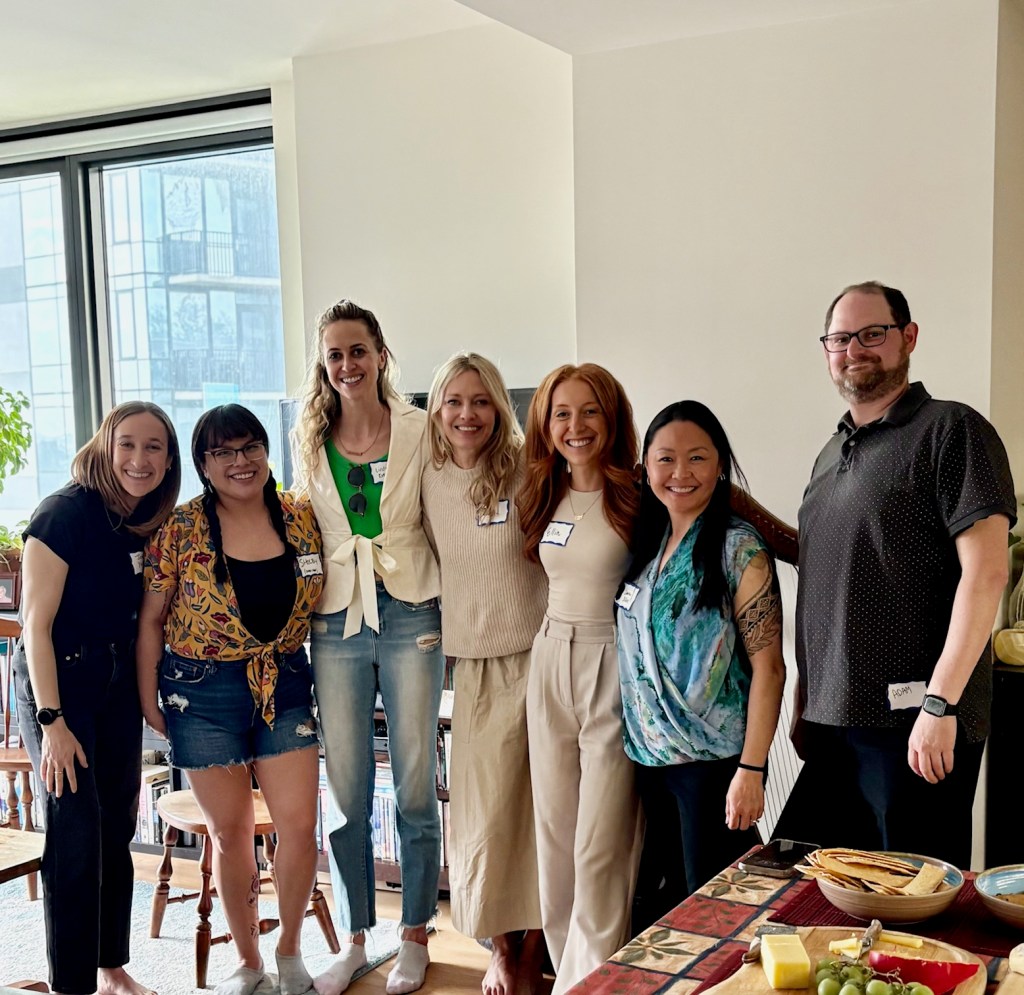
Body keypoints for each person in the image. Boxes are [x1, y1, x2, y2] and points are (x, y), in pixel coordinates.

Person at [779, 281, 1015, 868]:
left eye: (872, 333)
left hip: (914, 725)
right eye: (840, 339)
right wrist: (805, 701)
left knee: (915, 897)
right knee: (817, 893)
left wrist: (939, 705)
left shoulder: (952, 430)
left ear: (908, 337)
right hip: (832, 726)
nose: (854, 349)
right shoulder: (830, 454)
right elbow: (824, 585)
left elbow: (987, 574)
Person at [137, 404, 324, 995]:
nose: (240, 461)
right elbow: (151, 620)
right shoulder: (181, 529)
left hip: (284, 682)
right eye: (223, 452)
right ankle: (248, 961)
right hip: (201, 693)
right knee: (230, 834)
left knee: (300, 825)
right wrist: (149, 700)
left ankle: (290, 951)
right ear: (203, 464)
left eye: (250, 448)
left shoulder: (300, 516)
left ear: (266, 452)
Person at [294, 300, 443, 995]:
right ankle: (355, 939)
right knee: (347, 787)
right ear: (323, 364)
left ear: (381, 354)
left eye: (358, 350)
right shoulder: (309, 437)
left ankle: (414, 933)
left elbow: (444, 515)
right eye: (335, 354)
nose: (348, 365)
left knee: (414, 782)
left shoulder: (420, 428)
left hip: (413, 612)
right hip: (335, 623)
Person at [14, 400, 180, 995]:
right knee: (76, 829)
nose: (139, 459)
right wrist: (51, 722)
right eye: (127, 444)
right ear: (105, 446)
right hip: (57, 684)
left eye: (154, 447)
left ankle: (111, 968)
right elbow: (34, 627)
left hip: (114, 685)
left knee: (117, 826)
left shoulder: (143, 519)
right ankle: (72, 984)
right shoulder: (63, 514)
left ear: (169, 460)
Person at [616, 401, 785, 901]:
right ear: (646, 468)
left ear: (720, 465)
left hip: (712, 766)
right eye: (666, 459)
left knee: (715, 910)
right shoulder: (648, 544)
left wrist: (752, 770)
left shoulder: (739, 549)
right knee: (662, 908)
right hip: (648, 762)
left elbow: (770, 669)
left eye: (697, 458)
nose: (680, 473)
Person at [421, 353, 546, 995]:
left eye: (480, 401)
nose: (467, 414)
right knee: (486, 820)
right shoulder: (424, 475)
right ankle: (500, 946)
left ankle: (534, 949)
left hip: (541, 658)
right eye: (454, 401)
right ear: (437, 410)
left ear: (499, 406)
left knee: (544, 811)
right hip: (472, 667)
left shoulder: (529, 469)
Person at [517, 363, 644, 995]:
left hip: (611, 663)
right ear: (545, 425)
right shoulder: (543, 493)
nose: (576, 426)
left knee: (599, 846)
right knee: (555, 839)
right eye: (562, 413)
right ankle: (570, 974)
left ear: (611, 417)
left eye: (590, 410)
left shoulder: (639, 496)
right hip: (548, 660)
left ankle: (590, 982)